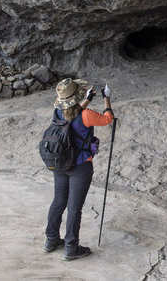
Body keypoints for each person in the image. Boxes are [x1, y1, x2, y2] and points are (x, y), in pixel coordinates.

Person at [44, 78, 114, 261]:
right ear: (77, 96)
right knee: (74, 207)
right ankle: (71, 247)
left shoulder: (57, 112)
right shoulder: (87, 115)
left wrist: (88, 99)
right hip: (80, 166)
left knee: (59, 201)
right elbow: (107, 119)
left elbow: (72, 116)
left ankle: (51, 240)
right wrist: (106, 98)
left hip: (60, 163)